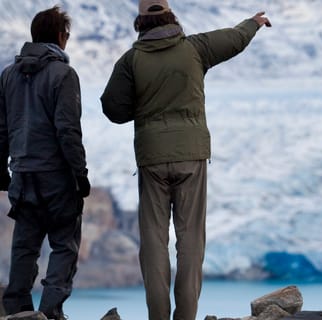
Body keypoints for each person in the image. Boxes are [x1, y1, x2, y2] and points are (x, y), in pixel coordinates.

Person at [100, 1, 270, 319]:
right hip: (191, 157)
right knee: (190, 238)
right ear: (170, 16)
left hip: (151, 158)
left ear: (140, 22)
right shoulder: (195, 48)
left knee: (153, 240)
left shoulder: (131, 60)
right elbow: (233, 38)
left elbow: (113, 108)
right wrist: (253, 23)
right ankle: (186, 315)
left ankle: (158, 316)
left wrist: (141, 104)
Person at [0, 6, 90, 319]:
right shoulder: (63, 74)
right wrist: (80, 174)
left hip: (22, 174)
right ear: (61, 37)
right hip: (56, 176)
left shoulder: (9, 75)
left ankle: (17, 310)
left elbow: (2, 129)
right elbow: (68, 129)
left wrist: (2, 169)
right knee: (64, 244)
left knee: (25, 245)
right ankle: (51, 312)